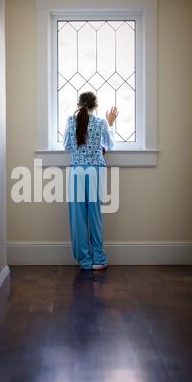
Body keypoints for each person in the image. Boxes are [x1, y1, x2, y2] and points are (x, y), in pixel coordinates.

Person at [63, 91, 118, 271]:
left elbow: (67, 146)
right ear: (96, 106)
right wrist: (109, 123)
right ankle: (99, 259)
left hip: (77, 170)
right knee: (94, 214)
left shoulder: (71, 121)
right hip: (95, 170)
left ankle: (85, 261)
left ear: (78, 104)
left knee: (78, 216)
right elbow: (109, 145)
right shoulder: (101, 122)